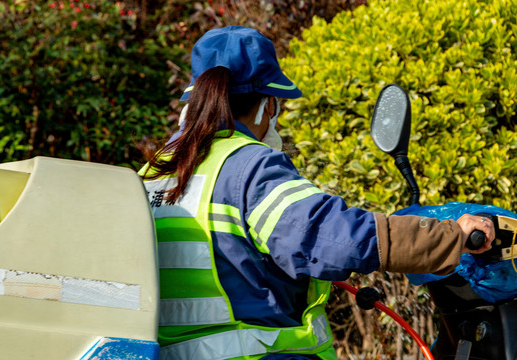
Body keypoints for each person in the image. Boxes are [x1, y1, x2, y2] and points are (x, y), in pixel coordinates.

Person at [139, 26, 494, 360]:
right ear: (267, 105)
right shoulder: (249, 166)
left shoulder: (154, 172)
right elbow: (333, 237)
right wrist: (452, 235)